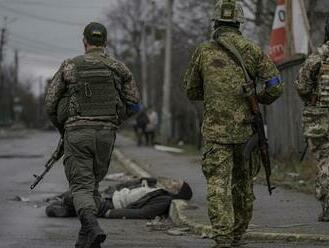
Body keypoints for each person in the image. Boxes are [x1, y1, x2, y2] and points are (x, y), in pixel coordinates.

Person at [183, 1, 283, 247]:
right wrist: (257, 98)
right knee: (243, 184)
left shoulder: (203, 51)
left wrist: (214, 94)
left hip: (216, 133)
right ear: (240, 22)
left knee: (218, 184)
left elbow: (191, 90)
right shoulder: (251, 49)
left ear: (215, 22)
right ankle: (238, 233)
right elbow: (275, 86)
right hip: (247, 132)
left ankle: (223, 237)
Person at [45, 22, 140, 248]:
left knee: (81, 187)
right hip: (106, 135)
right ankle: (86, 239)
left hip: (78, 133)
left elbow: (50, 103)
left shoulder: (70, 66)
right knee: (92, 184)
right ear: (105, 42)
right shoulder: (119, 68)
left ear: (84, 42)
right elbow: (134, 103)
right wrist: (115, 121)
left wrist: (63, 127)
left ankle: (91, 226)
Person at [295, 19, 329, 222]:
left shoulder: (319, 55)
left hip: (321, 116)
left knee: (326, 159)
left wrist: (311, 98)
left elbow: (302, 84)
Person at [45, 177, 193, 220]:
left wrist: (113, 213)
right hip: (108, 197)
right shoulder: (159, 188)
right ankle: (67, 209)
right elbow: (131, 186)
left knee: (73, 195)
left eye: (176, 183)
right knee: (75, 194)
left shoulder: (164, 199)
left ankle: (66, 205)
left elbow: (143, 213)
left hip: (110, 206)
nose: (172, 181)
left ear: (177, 191)